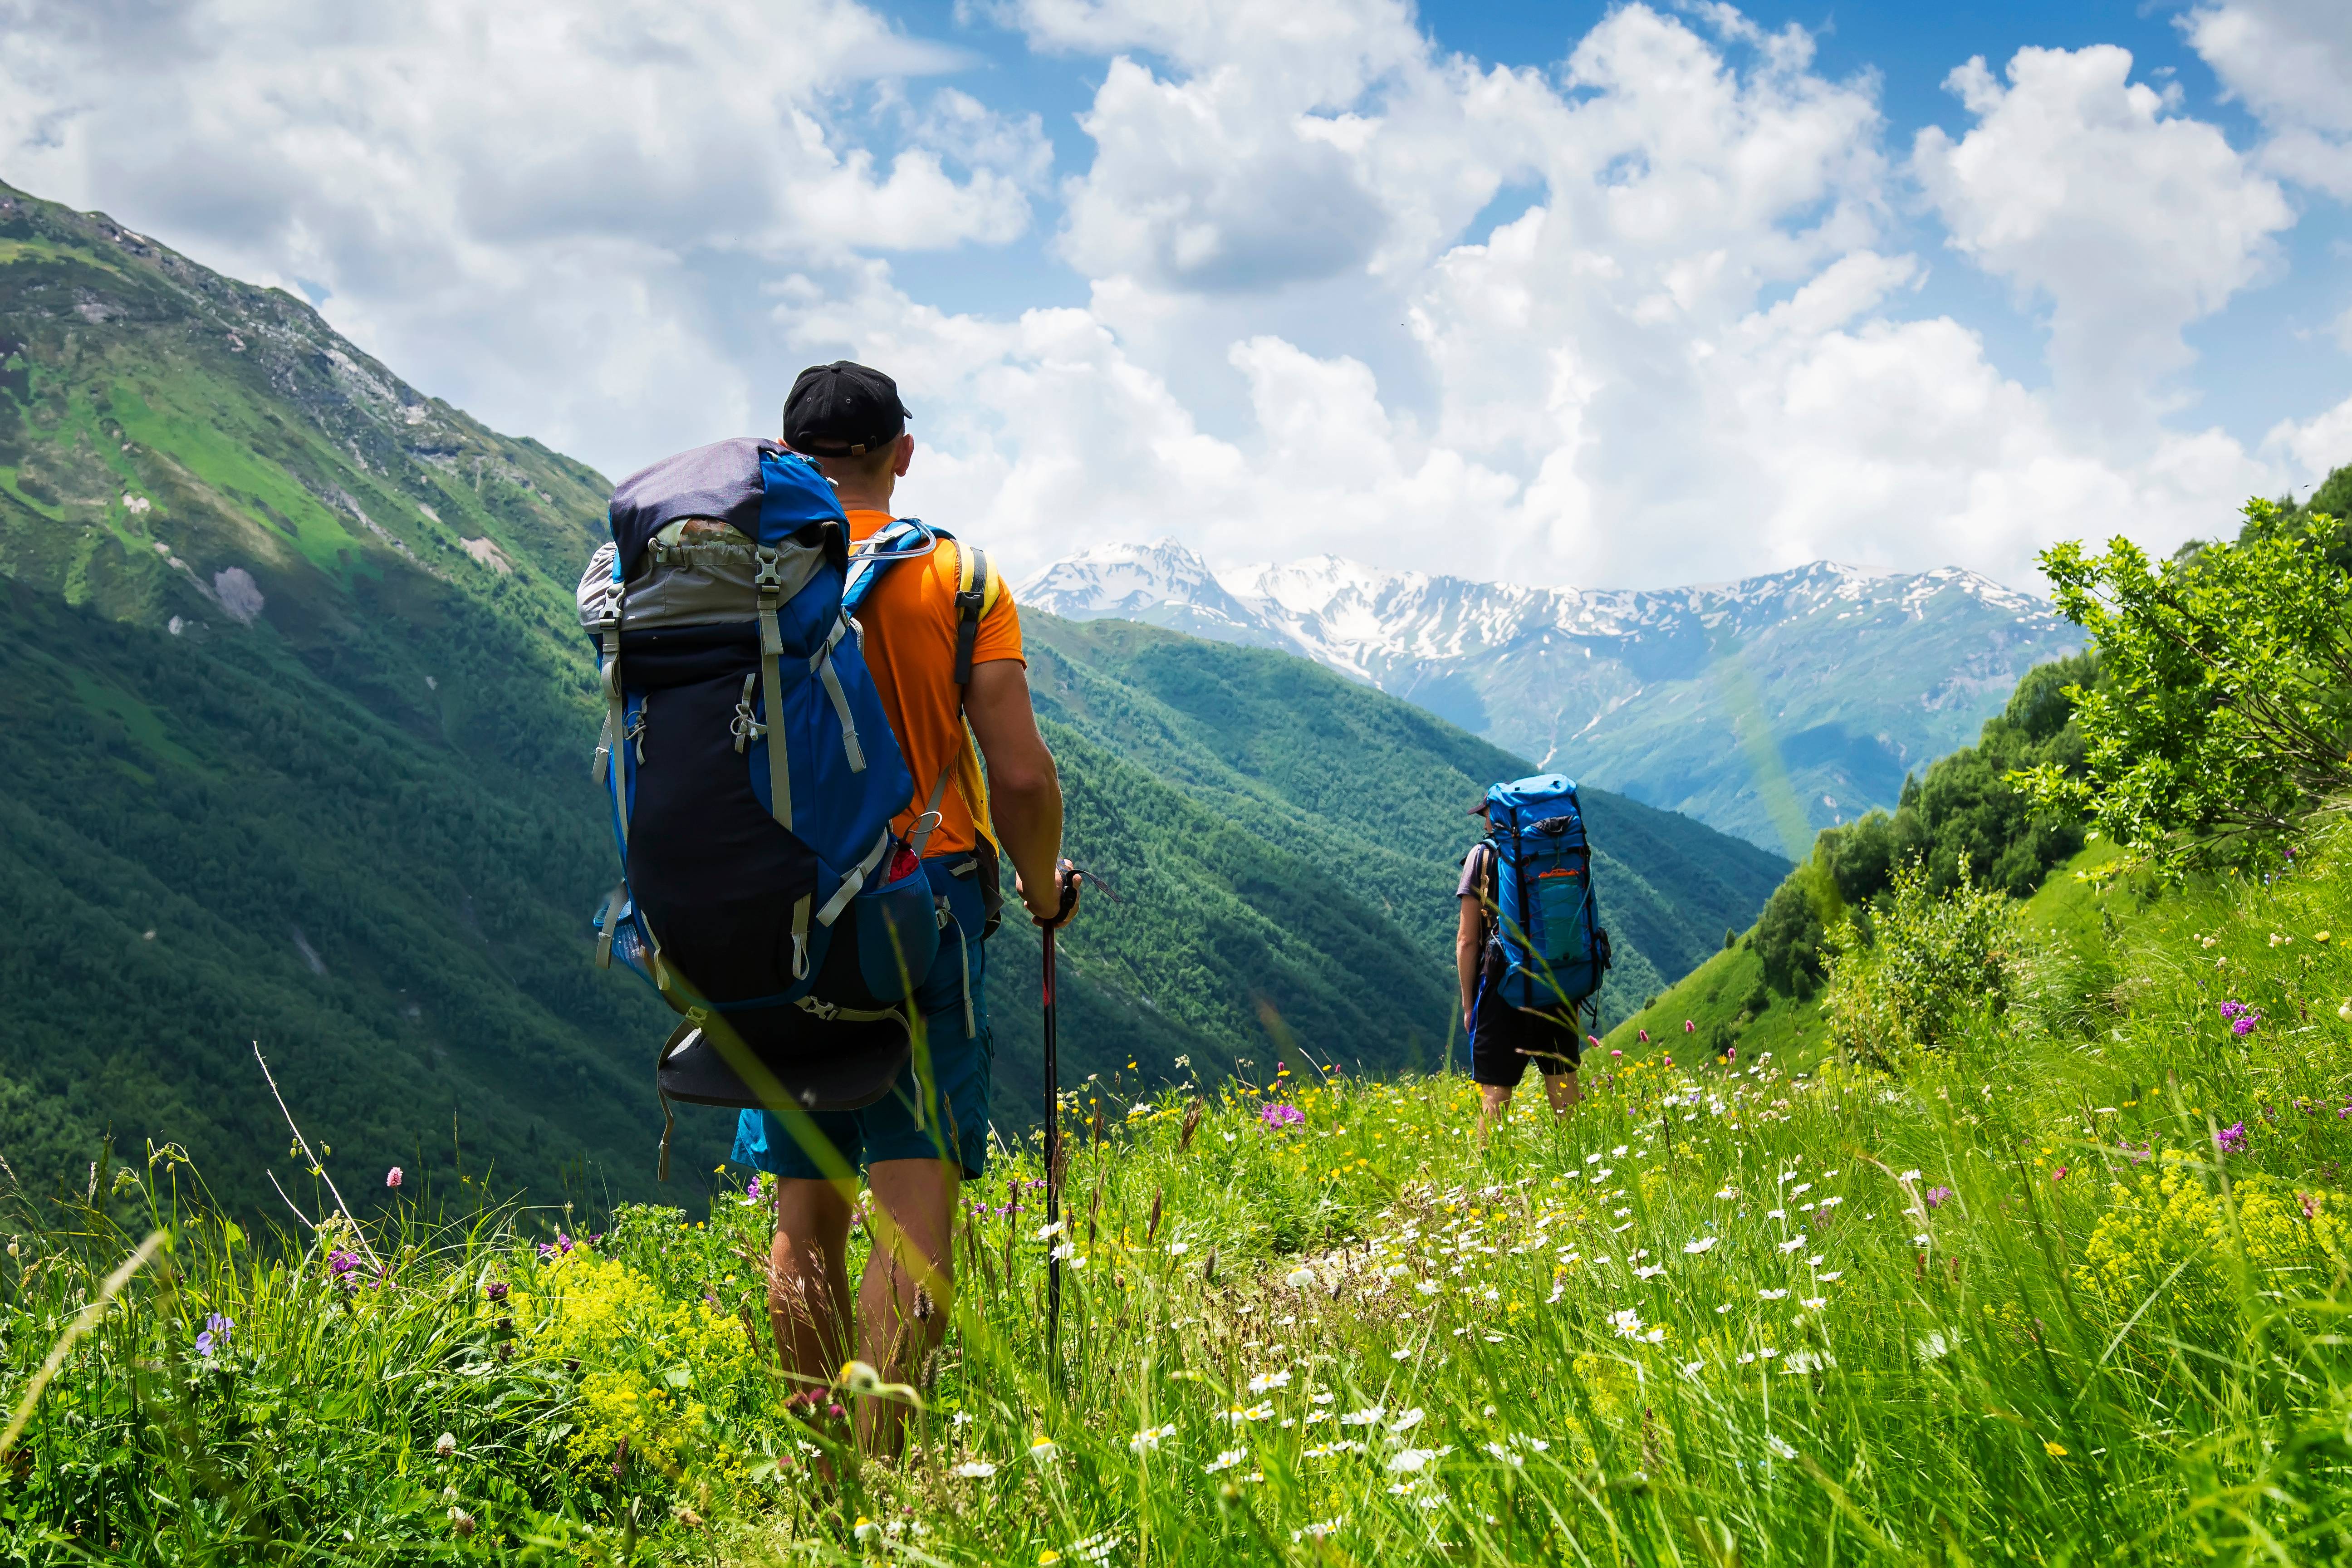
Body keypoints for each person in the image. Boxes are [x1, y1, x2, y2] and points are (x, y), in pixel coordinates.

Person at [732, 360, 1066, 1455]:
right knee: (911, 1203)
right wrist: (1036, 880)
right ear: (902, 454)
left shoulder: (738, 572)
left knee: (804, 1212)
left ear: (786, 457)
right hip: (918, 905)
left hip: (767, 923)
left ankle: (820, 1470)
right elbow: (1016, 775)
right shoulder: (956, 575)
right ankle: (885, 1478)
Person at [1456, 799, 1583, 1135]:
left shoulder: (1481, 857)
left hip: (1502, 989)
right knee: (1566, 1093)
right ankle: (1582, 1172)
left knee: (1495, 1096)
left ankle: (1489, 1181)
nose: (1483, 823)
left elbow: (1468, 941)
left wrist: (1469, 1005)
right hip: (1556, 981)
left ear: (1495, 816)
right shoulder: (1557, 849)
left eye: (1485, 815)